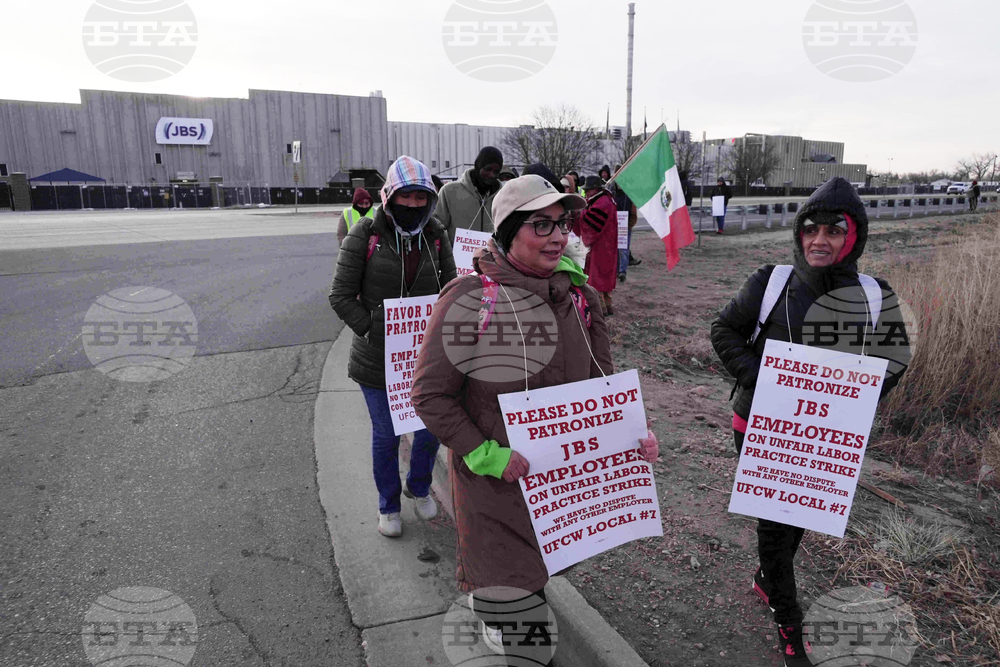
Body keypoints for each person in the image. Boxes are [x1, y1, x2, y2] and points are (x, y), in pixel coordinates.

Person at [411, 175, 658, 662]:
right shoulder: (468, 298)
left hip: (554, 496)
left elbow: (602, 392)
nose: (557, 236)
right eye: (540, 225)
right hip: (493, 489)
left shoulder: (580, 298)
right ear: (507, 233)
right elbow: (430, 396)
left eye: (562, 224)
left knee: (531, 586)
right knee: (524, 620)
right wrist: (487, 455)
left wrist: (633, 437)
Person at [710, 176, 910, 667]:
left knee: (800, 517)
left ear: (854, 236)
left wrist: (853, 400)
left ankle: (766, 579)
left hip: (826, 439)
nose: (820, 239)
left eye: (834, 230)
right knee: (775, 526)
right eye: (811, 228)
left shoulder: (873, 293)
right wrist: (760, 378)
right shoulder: (770, 282)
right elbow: (724, 329)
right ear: (799, 233)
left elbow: (894, 361)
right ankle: (789, 623)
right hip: (758, 428)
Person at [329, 156, 457, 538]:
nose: (413, 207)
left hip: (425, 360)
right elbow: (340, 296)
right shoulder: (363, 235)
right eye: (406, 198)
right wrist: (374, 330)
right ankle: (388, 504)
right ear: (390, 197)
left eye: (422, 199)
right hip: (377, 361)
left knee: (430, 429)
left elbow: (450, 290)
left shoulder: (436, 235)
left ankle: (418, 486)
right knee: (386, 435)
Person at [436, 146, 504, 244]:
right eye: (488, 169)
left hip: (491, 258)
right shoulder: (449, 191)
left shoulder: (502, 196)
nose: (491, 175)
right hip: (455, 257)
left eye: (496, 172)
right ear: (478, 166)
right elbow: (437, 228)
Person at [579, 175, 620, 316]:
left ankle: (600, 311)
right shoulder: (606, 200)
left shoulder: (602, 203)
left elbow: (591, 223)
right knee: (605, 280)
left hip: (601, 247)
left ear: (595, 189)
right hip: (607, 244)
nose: (586, 193)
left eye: (588, 190)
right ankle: (608, 307)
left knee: (597, 280)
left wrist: (580, 213)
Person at [608, 165, 638, 283]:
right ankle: (615, 270)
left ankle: (622, 272)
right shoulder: (611, 190)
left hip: (625, 225)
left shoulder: (629, 191)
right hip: (613, 224)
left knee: (623, 249)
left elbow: (633, 209)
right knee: (613, 248)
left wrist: (630, 224)